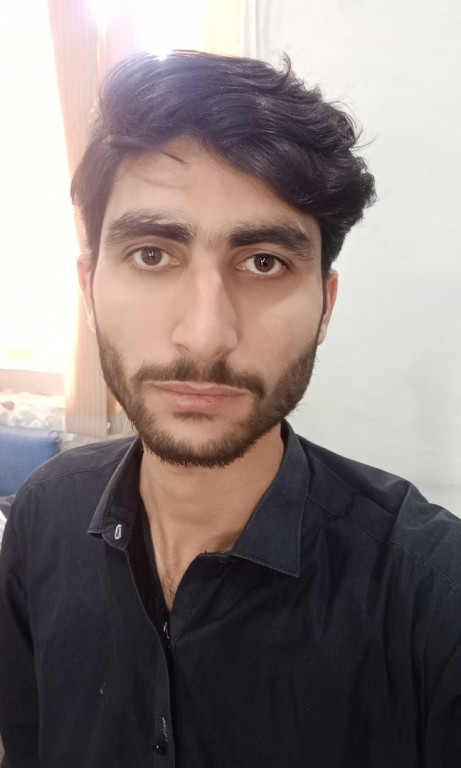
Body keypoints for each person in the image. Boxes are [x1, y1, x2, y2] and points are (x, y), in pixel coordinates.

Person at [0, 51, 460, 768]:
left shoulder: (432, 594)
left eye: (263, 262)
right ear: (89, 288)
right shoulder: (42, 515)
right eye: (152, 255)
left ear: (325, 306)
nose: (205, 336)